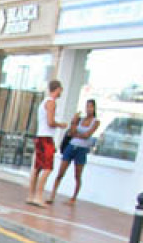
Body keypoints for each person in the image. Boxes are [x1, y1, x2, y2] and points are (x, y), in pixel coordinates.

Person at [48, 98, 99, 205]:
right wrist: (74, 122)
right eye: (87, 106)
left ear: (94, 108)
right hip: (71, 146)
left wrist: (77, 134)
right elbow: (71, 133)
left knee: (78, 175)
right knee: (60, 172)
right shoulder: (80, 119)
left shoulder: (96, 121)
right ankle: (52, 195)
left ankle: (73, 198)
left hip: (82, 149)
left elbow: (87, 135)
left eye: (90, 106)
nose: (88, 109)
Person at [26, 79, 65, 207]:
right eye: (60, 90)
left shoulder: (44, 102)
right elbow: (50, 122)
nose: (61, 93)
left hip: (40, 136)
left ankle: (31, 195)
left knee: (37, 167)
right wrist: (61, 124)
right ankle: (38, 195)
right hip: (46, 138)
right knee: (48, 168)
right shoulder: (51, 103)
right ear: (57, 89)